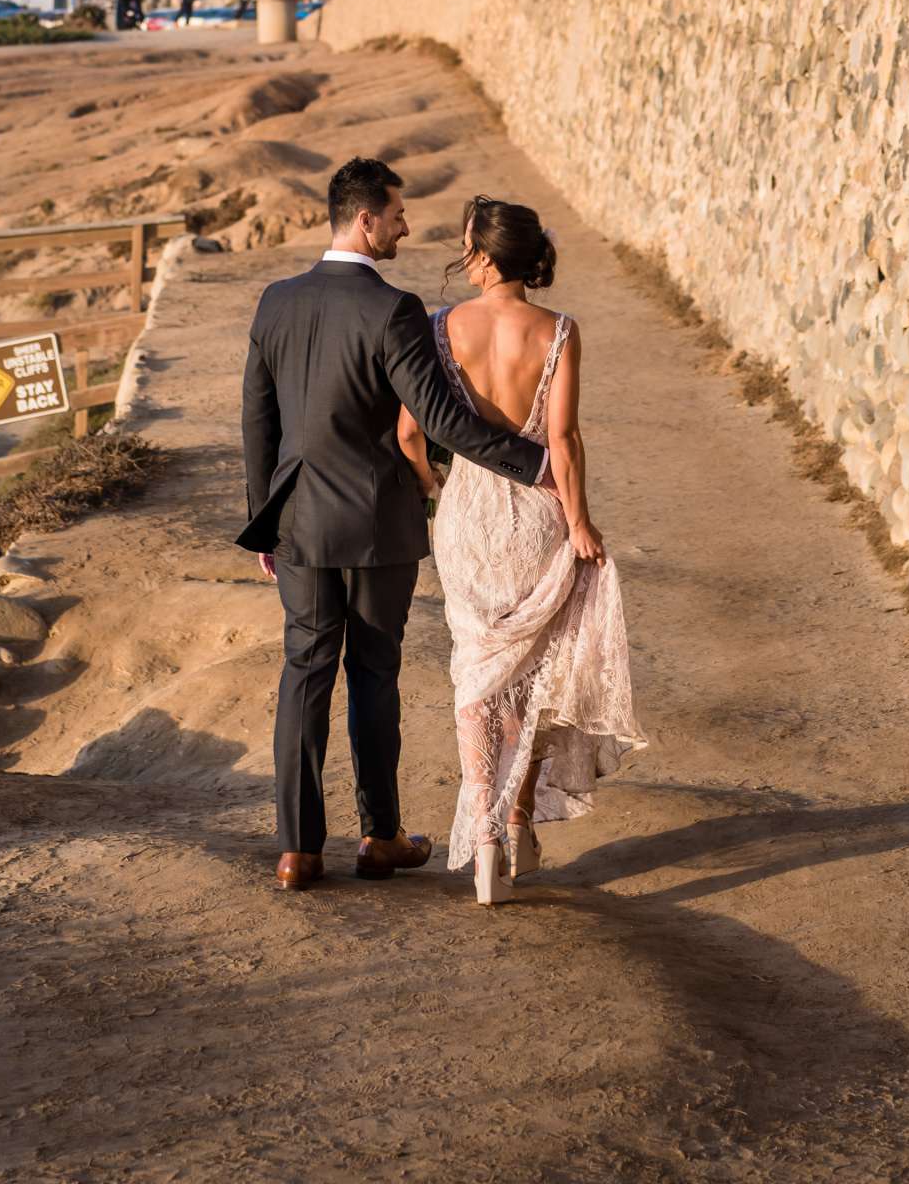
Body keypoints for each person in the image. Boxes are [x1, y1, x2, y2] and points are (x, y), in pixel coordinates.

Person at [239, 158, 549, 893]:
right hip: (378, 527)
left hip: (300, 523)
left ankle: (297, 851)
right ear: (367, 218)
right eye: (399, 213)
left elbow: (259, 420)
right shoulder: (393, 309)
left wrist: (265, 521)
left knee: (303, 676)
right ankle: (380, 837)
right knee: (374, 675)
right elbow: (439, 419)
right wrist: (533, 464)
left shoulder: (275, 301)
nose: (408, 225)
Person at [398, 196, 643, 905]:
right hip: (537, 514)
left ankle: (484, 848)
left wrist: (432, 484)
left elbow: (411, 434)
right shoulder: (559, 330)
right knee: (529, 677)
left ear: (482, 255)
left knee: (478, 676)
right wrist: (581, 522)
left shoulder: (439, 327)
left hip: (469, 516)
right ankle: (520, 817)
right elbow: (562, 441)